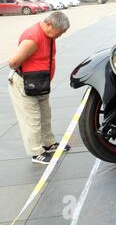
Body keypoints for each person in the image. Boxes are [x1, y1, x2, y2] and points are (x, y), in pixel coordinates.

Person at [8, 12, 71, 164]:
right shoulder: (33, 38)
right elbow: (14, 62)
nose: (60, 35)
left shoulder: (49, 35)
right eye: (59, 32)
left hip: (40, 83)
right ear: (49, 24)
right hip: (26, 84)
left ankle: (49, 144)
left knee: (45, 115)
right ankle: (36, 152)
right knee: (32, 119)